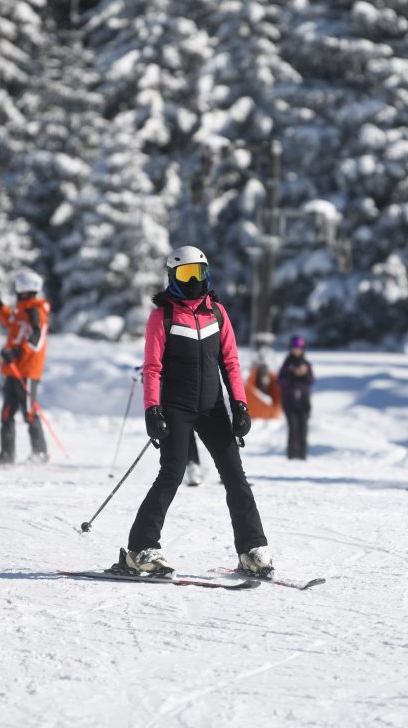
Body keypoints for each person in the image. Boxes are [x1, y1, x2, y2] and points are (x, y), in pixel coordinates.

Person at [114, 245, 273, 578]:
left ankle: (252, 549)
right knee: (172, 474)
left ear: (206, 274)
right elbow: (153, 368)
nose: (192, 282)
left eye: (197, 274)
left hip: (213, 407)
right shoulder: (163, 317)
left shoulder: (217, 313)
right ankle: (140, 549)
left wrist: (240, 405)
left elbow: (230, 362)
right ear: (172, 277)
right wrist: (153, 410)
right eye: (185, 274)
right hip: (176, 408)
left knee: (235, 476)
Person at [0, 269, 50, 464]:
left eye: (18, 286)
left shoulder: (35, 310)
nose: (15, 290)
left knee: (29, 413)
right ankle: (6, 454)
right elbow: (11, 322)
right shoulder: (21, 309)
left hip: (27, 371)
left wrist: (16, 353)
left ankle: (40, 453)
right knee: (7, 413)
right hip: (12, 370)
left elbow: (36, 340)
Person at [278, 335, 315, 459]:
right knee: (293, 429)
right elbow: (281, 381)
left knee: (303, 430)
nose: (296, 350)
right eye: (294, 347)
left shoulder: (306, 364)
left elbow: (310, 381)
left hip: (304, 403)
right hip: (289, 402)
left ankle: (303, 456)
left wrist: (304, 373)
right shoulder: (287, 364)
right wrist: (292, 374)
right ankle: (291, 456)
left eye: (298, 347)